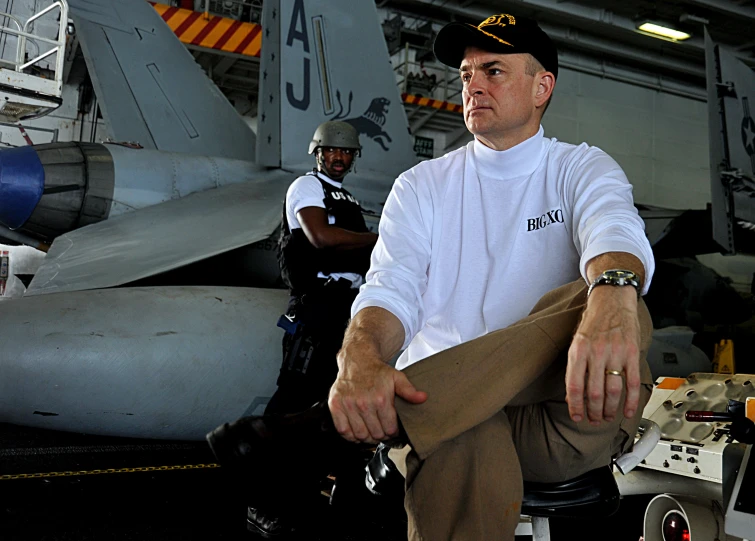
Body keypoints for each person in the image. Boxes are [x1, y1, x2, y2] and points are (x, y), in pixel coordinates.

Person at [207, 13, 656, 541]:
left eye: (493, 71)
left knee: (610, 291)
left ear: (542, 87)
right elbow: (390, 289)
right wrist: (361, 358)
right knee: (458, 430)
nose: (473, 85)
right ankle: (399, 413)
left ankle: (330, 430)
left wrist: (614, 293)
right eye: (466, 75)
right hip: (441, 412)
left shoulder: (580, 168)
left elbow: (614, 228)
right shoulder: (420, 187)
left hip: (565, 411)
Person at [247, 120, 378, 538]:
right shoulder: (307, 188)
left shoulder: (347, 197)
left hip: (345, 312)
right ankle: (259, 504)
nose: (339, 158)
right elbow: (320, 238)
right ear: (318, 153)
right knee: (291, 404)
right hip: (317, 308)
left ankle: (317, 491)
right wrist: (382, 238)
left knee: (331, 404)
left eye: (346, 153)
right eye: (332, 152)